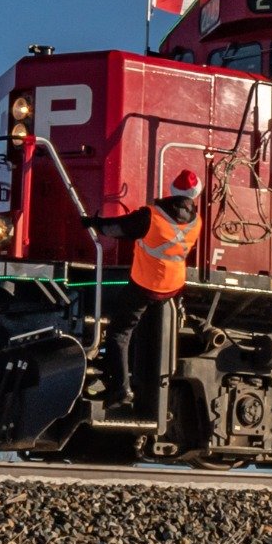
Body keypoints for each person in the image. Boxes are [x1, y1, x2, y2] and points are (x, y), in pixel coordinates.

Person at [83, 169, 203, 409]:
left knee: (119, 333)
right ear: (196, 193)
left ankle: (120, 389)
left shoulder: (152, 216)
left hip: (146, 284)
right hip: (173, 286)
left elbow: (116, 229)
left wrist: (93, 223)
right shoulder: (196, 222)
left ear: (172, 189)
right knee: (141, 329)